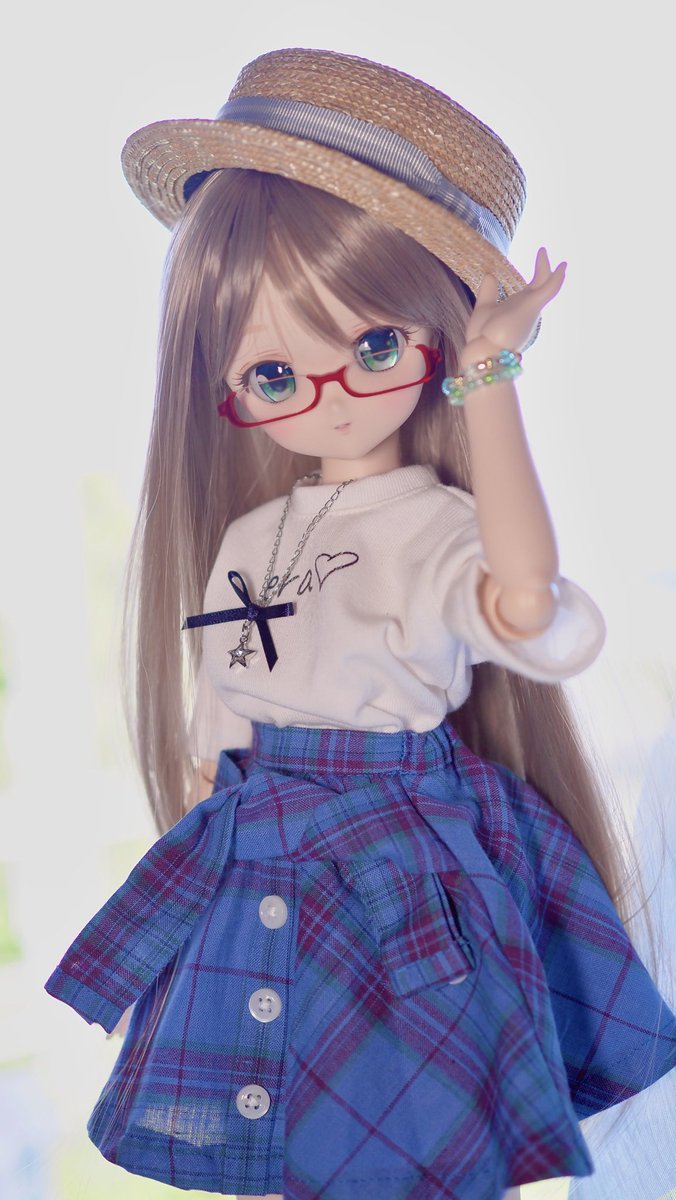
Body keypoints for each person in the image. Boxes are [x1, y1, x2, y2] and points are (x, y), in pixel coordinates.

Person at [44, 47, 675, 1200]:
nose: (327, 393)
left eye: (374, 347)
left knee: (403, 1127)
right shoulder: (253, 536)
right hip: (258, 832)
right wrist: (208, 782)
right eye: (273, 373)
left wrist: (491, 383)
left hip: (396, 852)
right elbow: (225, 685)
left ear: (429, 341)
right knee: (273, 1111)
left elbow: (525, 601)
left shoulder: (431, 527)